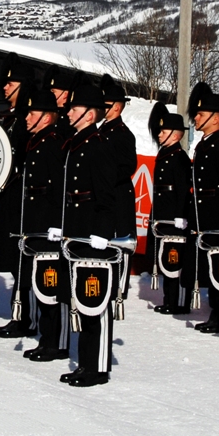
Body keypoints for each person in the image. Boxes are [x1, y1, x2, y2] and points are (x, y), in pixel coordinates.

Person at [57, 84, 118, 387]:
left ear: (89, 114)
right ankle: (85, 363)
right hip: (76, 233)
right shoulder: (76, 144)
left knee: (96, 302)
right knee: (81, 301)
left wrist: (102, 233)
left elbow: (108, 197)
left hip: (92, 235)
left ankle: (99, 366)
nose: (68, 112)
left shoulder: (99, 145)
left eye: (74, 108)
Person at [10, 90, 63, 349]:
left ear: (46, 117)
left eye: (32, 113)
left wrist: (56, 224)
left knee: (49, 283)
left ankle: (54, 341)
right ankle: (45, 335)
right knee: (37, 280)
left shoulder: (52, 143)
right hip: (34, 221)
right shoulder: (36, 142)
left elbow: (58, 188)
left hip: (47, 224)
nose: (27, 118)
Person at [184, 84, 219, 334]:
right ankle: (216, 313)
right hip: (204, 217)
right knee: (211, 267)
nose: (195, 117)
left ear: (215, 118)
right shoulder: (204, 146)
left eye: (200, 114)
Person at [0, 54, 36, 338]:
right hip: (7, 197)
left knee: (23, 260)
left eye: (10, 83)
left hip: (21, 198)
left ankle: (25, 317)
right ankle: (19, 313)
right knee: (13, 260)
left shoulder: (24, 120)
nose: (5, 88)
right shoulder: (11, 118)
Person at [148, 102, 191, 315]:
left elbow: (183, 189)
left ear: (175, 135)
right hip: (163, 214)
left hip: (174, 216)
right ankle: (169, 299)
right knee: (166, 258)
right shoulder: (164, 154)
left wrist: (180, 215)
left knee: (175, 259)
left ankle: (179, 301)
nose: (159, 134)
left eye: (163, 131)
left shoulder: (179, 157)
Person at [98, 74, 137, 300]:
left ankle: (119, 288)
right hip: (106, 194)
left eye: (107, 105)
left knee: (119, 239)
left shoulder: (122, 134)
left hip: (118, 193)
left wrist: (102, 178)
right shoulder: (102, 131)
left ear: (117, 107)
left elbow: (127, 166)